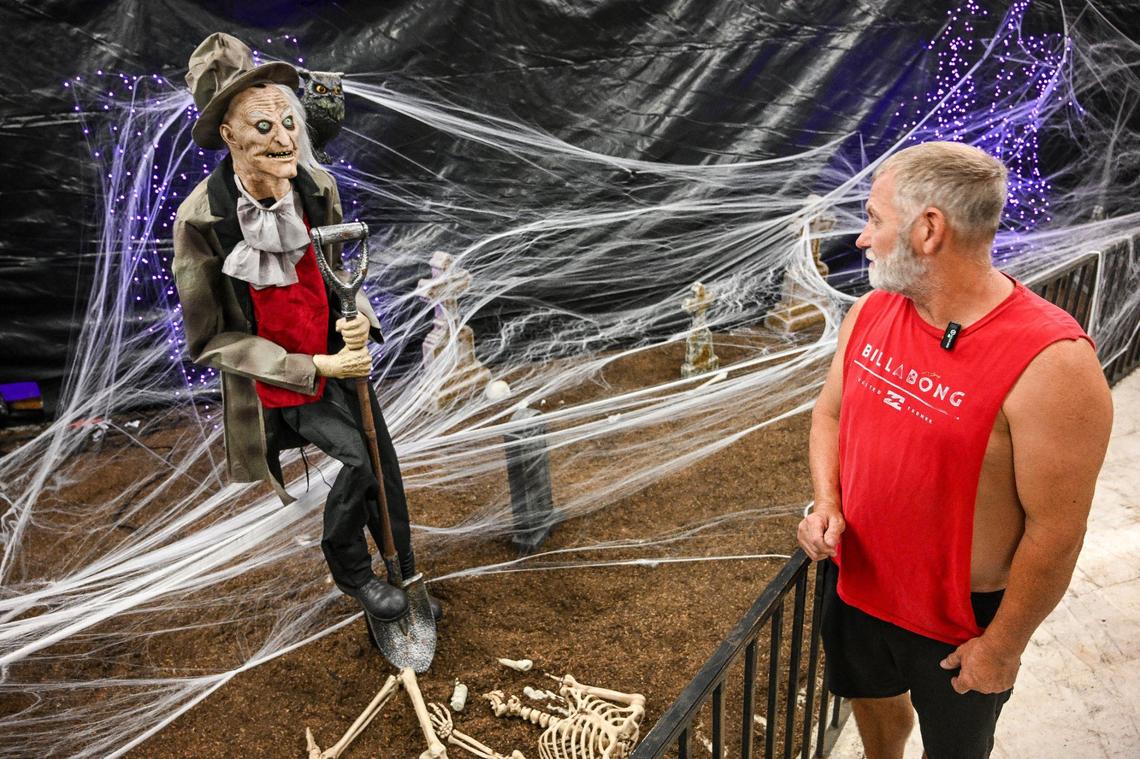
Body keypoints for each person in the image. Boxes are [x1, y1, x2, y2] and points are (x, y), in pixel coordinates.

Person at [796, 141, 1112, 759]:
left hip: (961, 623)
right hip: (860, 584)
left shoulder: (1054, 364)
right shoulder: (871, 312)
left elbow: (1057, 530)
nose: (863, 238)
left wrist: (1003, 647)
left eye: (875, 218)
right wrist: (827, 502)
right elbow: (830, 414)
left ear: (928, 230)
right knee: (874, 708)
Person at [172, 33, 440, 628]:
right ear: (228, 135)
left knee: (384, 464)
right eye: (263, 128)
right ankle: (353, 573)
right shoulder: (202, 221)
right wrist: (313, 367)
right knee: (355, 462)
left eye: (289, 122)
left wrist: (358, 324)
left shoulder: (316, 189)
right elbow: (208, 341)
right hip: (281, 381)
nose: (286, 139)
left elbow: (340, 272)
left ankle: (406, 573)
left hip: (337, 356)